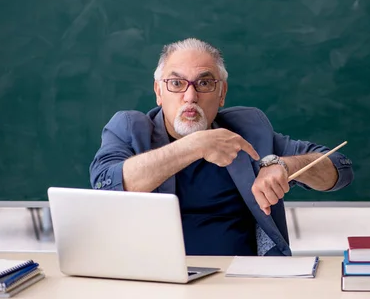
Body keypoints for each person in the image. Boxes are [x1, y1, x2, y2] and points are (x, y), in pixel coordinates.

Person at [89, 38, 354, 256]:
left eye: (204, 83)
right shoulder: (129, 128)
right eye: (176, 83)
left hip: (243, 283)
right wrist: (195, 145)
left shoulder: (249, 129)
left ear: (222, 93)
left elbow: (340, 170)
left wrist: (284, 165)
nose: (190, 96)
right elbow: (105, 185)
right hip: (154, 282)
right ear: (158, 92)